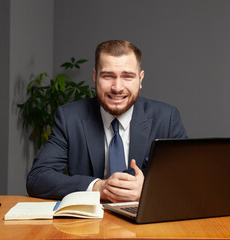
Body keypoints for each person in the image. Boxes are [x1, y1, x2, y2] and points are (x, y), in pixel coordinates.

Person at [26, 40, 187, 202]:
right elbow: (38, 178)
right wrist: (98, 187)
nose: (117, 87)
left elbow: (188, 178)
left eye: (127, 76)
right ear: (95, 77)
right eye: (108, 76)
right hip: (88, 223)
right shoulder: (69, 118)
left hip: (145, 224)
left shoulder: (166, 118)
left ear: (140, 79)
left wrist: (148, 188)